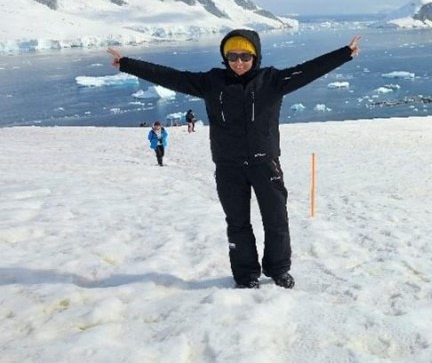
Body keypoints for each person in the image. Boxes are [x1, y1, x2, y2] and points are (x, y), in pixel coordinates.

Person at [107, 30, 361, 289]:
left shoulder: (272, 80)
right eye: (232, 56)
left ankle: (277, 269)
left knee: (276, 219)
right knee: (237, 223)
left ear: (255, 56)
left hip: (265, 164)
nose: (238, 62)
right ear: (225, 57)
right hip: (229, 166)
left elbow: (309, 70)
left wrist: (344, 54)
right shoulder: (212, 82)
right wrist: (127, 64)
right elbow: (172, 77)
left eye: (245, 56)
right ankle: (246, 273)